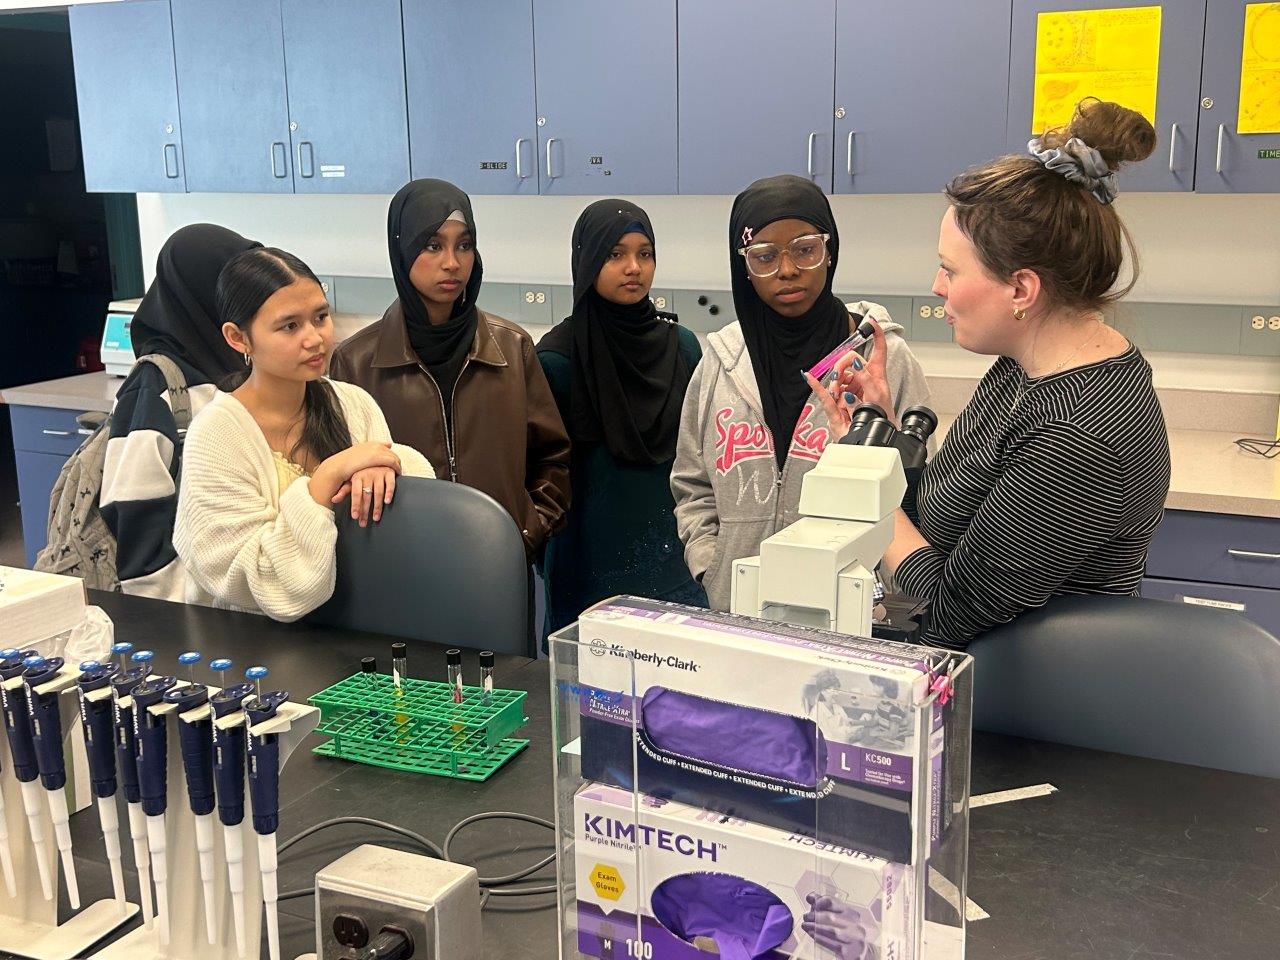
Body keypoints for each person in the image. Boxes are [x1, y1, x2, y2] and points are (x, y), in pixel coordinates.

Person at [812, 98, 1171, 650]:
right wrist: (877, 432)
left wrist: (863, 480)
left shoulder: (1078, 436)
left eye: (951, 269)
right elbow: (941, 521)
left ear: (1022, 290)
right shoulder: (1024, 366)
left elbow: (944, 614)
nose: (937, 286)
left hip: (1025, 708)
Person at [671, 174, 931, 611]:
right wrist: (711, 565)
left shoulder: (883, 362)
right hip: (737, 607)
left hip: (848, 611)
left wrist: (878, 580)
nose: (788, 270)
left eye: (805, 249)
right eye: (765, 256)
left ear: (829, 253)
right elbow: (692, 481)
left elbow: (922, 485)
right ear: (743, 267)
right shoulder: (721, 360)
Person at [174, 247, 434, 621]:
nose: (314, 339)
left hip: (359, 630)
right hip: (250, 644)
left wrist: (388, 466)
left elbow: (405, 521)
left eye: (321, 317)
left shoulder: (352, 403)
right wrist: (326, 480)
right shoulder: (216, 436)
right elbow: (259, 581)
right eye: (289, 326)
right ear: (237, 337)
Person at [329, 178, 571, 562]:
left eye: (464, 245)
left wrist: (527, 531)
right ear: (402, 249)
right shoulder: (355, 361)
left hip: (498, 563)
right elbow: (338, 476)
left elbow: (551, 457)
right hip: (399, 568)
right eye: (432, 245)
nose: (452, 263)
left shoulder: (512, 347)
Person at [537, 200, 706, 636]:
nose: (633, 267)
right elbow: (539, 475)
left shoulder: (683, 348)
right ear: (587, 260)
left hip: (674, 560)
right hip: (589, 564)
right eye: (614, 254)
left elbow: (701, 460)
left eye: (644, 253)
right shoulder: (557, 359)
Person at [101, 223, 261, 599]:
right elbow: (135, 520)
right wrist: (178, 619)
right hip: (193, 612)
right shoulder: (157, 387)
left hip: (245, 601)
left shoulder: (246, 369)